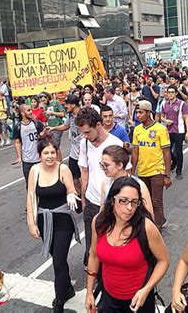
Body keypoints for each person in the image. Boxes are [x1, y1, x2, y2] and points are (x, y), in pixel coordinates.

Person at [85, 177, 170, 313]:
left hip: (138, 302)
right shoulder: (99, 222)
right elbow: (94, 256)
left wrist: (146, 290)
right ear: (112, 200)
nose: (129, 208)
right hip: (109, 299)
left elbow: (163, 260)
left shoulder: (146, 227)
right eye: (123, 201)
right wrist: (89, 292)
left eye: (134, 202)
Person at [26, 136, 80, 313]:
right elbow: (31, 196)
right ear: (40, 154)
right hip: (44, 221)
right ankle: (68, 289)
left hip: (63, 219)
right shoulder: (35, 171)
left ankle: (59, 301)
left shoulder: (63, 169)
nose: (50, 156)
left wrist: (71, 195)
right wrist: (31, 223)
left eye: (52, 152)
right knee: (59, 260)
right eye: (45, 153)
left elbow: (71, 190)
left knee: (58, 260)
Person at [75, 107, 129, 267]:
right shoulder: (84, 143)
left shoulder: (116, 144)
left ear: (98, 125)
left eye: (87, 132)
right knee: (92, 248)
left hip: (112, 204)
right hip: (91, 203)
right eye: (83, 133)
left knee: (113, 246)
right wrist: (83, 199)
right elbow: (84, 172)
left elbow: (126, 175)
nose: (85, 136)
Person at [131, 100, 172, 228]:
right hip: (143, 171)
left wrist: (167, 174)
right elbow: (135, 152)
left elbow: (166, 152)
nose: (138, 115)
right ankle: (156, 221)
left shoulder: (160, 129)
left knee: (156, 201)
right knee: (145, 202)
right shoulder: (137, 130)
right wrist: (132, 171)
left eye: (141, 112)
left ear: (148, 113)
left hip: (157, 171)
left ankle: (157, 228)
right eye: (136, 113)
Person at [99, 145, 154, 217]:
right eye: (102, 164)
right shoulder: (105, 183)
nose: (103, 168)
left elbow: (149, 214)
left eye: (106, 165)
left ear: (119, 165)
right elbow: (102, 211)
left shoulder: (139, 185)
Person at [47, 95, 83, 195]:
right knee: (74, 176)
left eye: (67, 104)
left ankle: (86, 198)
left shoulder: (84, 115)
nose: (65, 106)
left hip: (84, 151)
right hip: (73, 152)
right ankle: (79, 197)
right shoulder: (70, 115)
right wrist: (53, 128)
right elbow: (66, 126)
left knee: (83, 178)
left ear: (73, 105)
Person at [12, 104, 46, 188]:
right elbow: (17, 142)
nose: (31, 112)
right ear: (22, 113)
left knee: (43, 182)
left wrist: (43, 134)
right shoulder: (18, 127)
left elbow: (43, 139)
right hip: (27, 160)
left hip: (39, 158)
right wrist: (19, 157)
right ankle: (32, 200)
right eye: (28, 110)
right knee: (30, 184)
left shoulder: (37, 123)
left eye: (31, 110)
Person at [161, 85, 188, 180]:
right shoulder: (164, 104)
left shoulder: (181, 104)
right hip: (168, 131)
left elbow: (186, 117)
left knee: (178, 151)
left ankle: (179, 170)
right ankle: (174, 161)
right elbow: (161, 116)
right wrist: (166, 121)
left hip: (179, 131)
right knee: (168, 150)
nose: (170, 94)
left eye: (172, 92)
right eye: (168, 92)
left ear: (176, 93)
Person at [45, 93, 65, 161]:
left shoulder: (56, 102)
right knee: (54, 145)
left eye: (44, 100)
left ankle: (59, 162)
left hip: (58, 126)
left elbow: (62, 114)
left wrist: (52, 113)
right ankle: (58, 161)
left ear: (47, 98)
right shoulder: (46, 106)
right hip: (50, 127)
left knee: (55, 146)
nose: (43, 102)